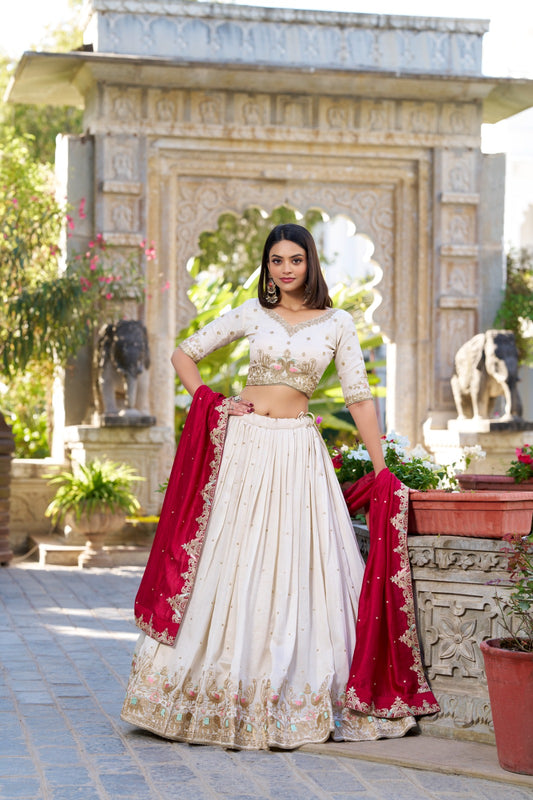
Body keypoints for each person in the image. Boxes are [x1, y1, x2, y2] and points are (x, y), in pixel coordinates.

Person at [121, 223, 438, 750]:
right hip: (244, 448)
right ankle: (203, 694)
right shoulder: (253, 313)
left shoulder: (337, 323)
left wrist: (382, 467)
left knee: (298, 565)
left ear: (310, 263)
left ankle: (293, 695)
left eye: (295, 259)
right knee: (231, 561)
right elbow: (183, 353)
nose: (285, 269)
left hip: (297, 455)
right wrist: (214, 401)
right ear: (266, 268)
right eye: (276, 261)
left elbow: (359, 398)